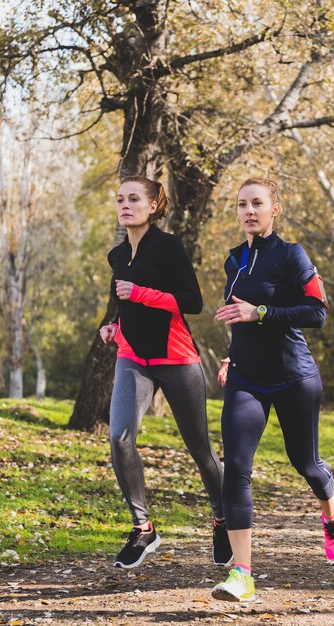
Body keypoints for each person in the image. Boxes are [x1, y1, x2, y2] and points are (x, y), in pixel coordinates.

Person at [211, 177, 334, 603]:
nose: (248, 211)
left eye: (257, 203)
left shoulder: (293, 255)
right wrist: (232, 354)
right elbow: (238, 315)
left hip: (294, 376)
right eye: (241, 205)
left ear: (275, 209)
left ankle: (331, 509)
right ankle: (243, 574)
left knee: (305, 463)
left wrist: (262, 312)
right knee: (235, 467)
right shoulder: (234, 260)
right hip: (246, 377)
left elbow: (317, 312)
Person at [100, 175, 232, 569]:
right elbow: (123, 308)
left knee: (200, 450)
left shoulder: (169, 247)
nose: (125, 205)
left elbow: (191, 301)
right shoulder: (117, 255)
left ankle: (223, 520)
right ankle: (144, 529)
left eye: (134, 198)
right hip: (133, 357)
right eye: (120, 199)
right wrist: (114, 328)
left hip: (177, 358)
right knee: (120, 437)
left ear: (154, 206)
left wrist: (141, 294)